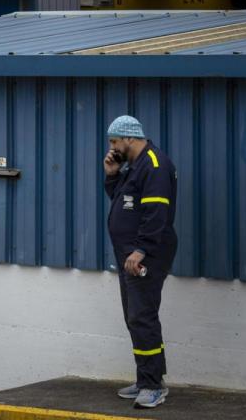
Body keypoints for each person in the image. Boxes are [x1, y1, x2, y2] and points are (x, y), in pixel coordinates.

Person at [103, 115, 178, 409]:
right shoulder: (135, 166)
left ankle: (152, 386)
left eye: (114, 141)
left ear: (129, 138)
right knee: (134, 317)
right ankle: (147, 378)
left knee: (142, 316)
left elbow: (156, 213)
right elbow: (123, 202)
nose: (111, 147)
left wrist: (141, 250)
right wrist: (112, 175)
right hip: (130, 254)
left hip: (146, 254)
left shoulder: (154, 165)